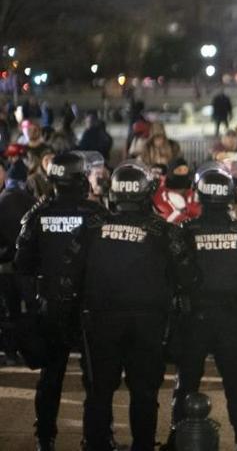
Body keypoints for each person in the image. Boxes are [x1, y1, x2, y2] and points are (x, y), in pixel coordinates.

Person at [60, 160, 199, 451]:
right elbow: (187, 276)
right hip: (147, 322)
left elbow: (70, 272)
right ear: (146, 192)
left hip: (100, 320)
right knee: (144, 392)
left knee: (99, 390)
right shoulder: (163, 231)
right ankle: (143, 446)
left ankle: (97, 443)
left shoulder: (93, 227)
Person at [164, 163, 237, 451]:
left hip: (194, 317)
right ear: (230, 195)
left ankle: (176, 439)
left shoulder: (186, 232)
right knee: (236, 384)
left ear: (198, 195)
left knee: (186, 382)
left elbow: (171, 276)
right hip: (231, 318)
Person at [14, 153, 108, 451]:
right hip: (89, 306)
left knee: (51, 377)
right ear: (80, 180)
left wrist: (36, 299)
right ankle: (96, 438)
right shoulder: (95, 213)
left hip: (52, 304)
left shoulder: (38, 214)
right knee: (95, 378)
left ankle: (45, 438)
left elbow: (22, 264)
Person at [0, 161, 33, 365]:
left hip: (4, 267)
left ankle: (10, 353)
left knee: (8, 312)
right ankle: (30, 351)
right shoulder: (32, 202)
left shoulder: (0, 201)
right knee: (28, 311)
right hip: (26, 268)